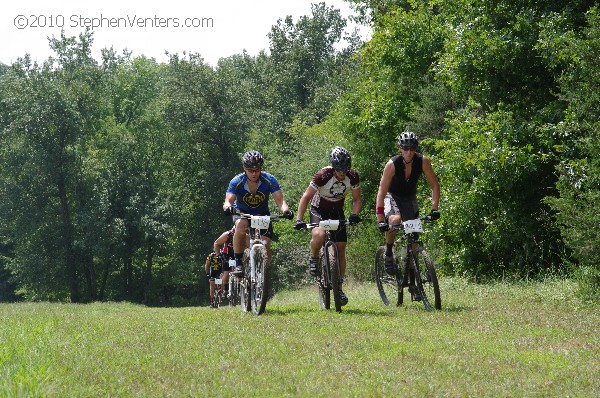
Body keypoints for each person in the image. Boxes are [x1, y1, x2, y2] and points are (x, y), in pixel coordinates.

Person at [294, 146, 362, 306]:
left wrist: (354, 215)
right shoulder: (322, 175)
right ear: (333, 167)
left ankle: (339, 288)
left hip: (337, 211)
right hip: (319, 210)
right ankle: (314, 256)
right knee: (319, 235)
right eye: (339, 170)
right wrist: (299, 219)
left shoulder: (352, 176)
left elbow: (357, 199)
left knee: (341, 247)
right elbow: (306, 197)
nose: (342, 174)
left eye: (345, 170)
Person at [375, 132, 440, 275]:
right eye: (405, 148)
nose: (409, 152)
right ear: (400, 148)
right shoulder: (392, 164)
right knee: (395, 219)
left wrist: (434, 209)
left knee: (413, 239)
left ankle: (412, 279)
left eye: (412, 148)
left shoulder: (423, 161)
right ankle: (389, 252)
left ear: (416, 149)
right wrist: (380, 219)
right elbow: (381, 190)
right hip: (391, 195)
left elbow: (435, 185)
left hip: (409, 198)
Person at [223, 150, 294, 274]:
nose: (254, 173)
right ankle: (239, 263)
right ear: (244, 168)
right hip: (242, 211)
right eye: (251, 170)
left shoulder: (269, 180)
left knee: (266, 244)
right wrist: (227, 207)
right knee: (241, 225)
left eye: (257, 169)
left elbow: (280, 200)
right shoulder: (237, 181)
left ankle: (264, 273)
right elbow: (228, 200)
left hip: (262, 213)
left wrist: (286, 210)